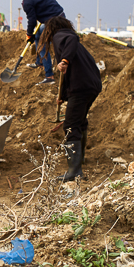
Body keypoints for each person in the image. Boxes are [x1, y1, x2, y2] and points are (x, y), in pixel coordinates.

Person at [36, 15, 101, 181]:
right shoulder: (68, 42)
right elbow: (68, 74)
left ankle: (74, 171)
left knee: (71, 126)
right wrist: (63, 96)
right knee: (80, 122)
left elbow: (72, 40)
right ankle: (80, 161)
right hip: (91, 85)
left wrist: (64, 60)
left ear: (50, 31)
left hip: (81, 87)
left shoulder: (61, 37)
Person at [9, 0, 65, 85]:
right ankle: (39, 62)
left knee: (41, 45)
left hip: (53, 24)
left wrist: (29, 34)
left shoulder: (27, 2)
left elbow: (32, 21)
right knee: (38, 33)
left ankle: (49, 76)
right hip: (62, 16)